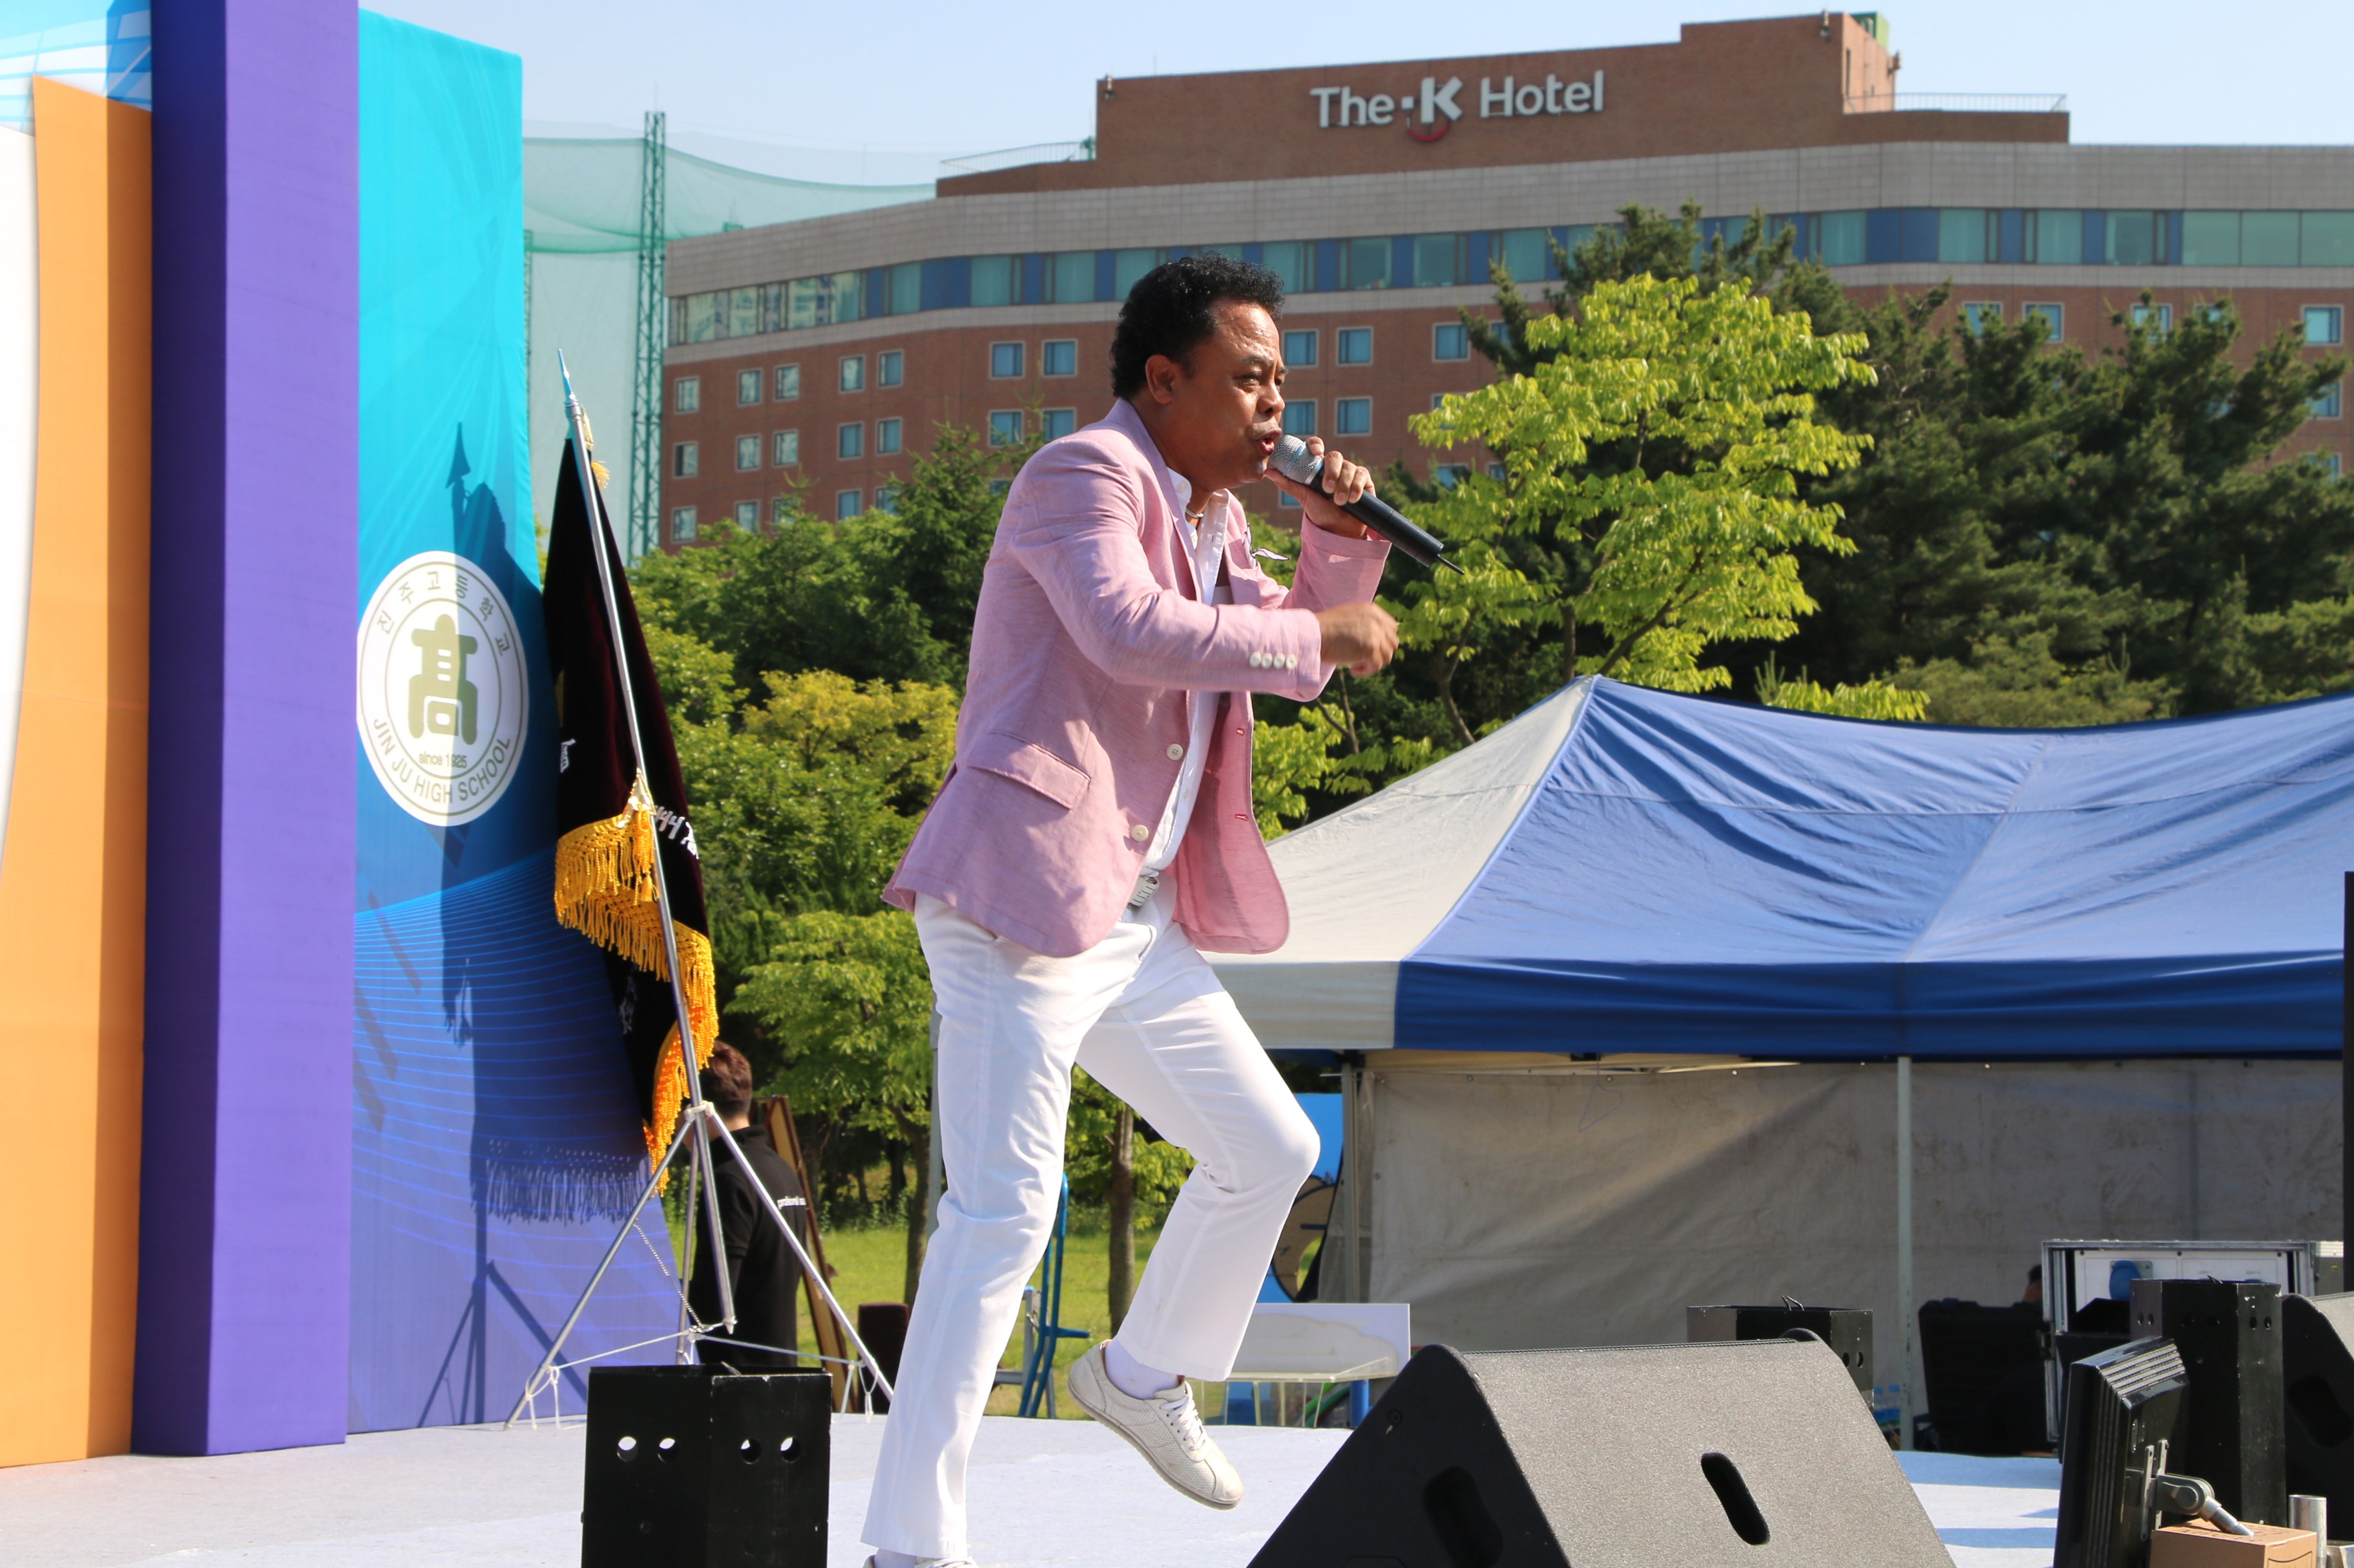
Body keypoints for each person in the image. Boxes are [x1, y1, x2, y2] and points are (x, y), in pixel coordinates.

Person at [859, 254, 1399, 1568]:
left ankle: (1142, 1371)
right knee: (1002, 1213)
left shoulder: (1215, 523)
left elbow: (1293, 659)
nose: (1275, 405)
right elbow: (1125, 628)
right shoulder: (1081, 475)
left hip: (1130, 917)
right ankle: (909, 1542)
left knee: (1268, 1144)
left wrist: (1335, 539)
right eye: (1249, 377)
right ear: (1164, 379)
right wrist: (1317, 635)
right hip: (1020, 899)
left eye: (1283, 383)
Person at [685, 1041, 809, 1373]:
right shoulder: (781, 1169)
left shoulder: (729, 1179)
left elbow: (714, 1304)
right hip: (781, 1368)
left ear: (697, 1110)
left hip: (737, 1377)